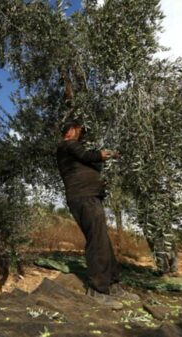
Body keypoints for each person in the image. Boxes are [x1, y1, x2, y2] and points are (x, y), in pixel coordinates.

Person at [56, 120, 139, 310]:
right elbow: (88, 155)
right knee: (96, 241)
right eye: (80, 131)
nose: (82, 135)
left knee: (103, 242)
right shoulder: (67, 145)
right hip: (83, 198)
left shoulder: (72, 149)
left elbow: (86, 162)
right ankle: (96, 290)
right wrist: (108, 154)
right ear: (70, 131)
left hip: (90, 197)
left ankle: (113, 285)